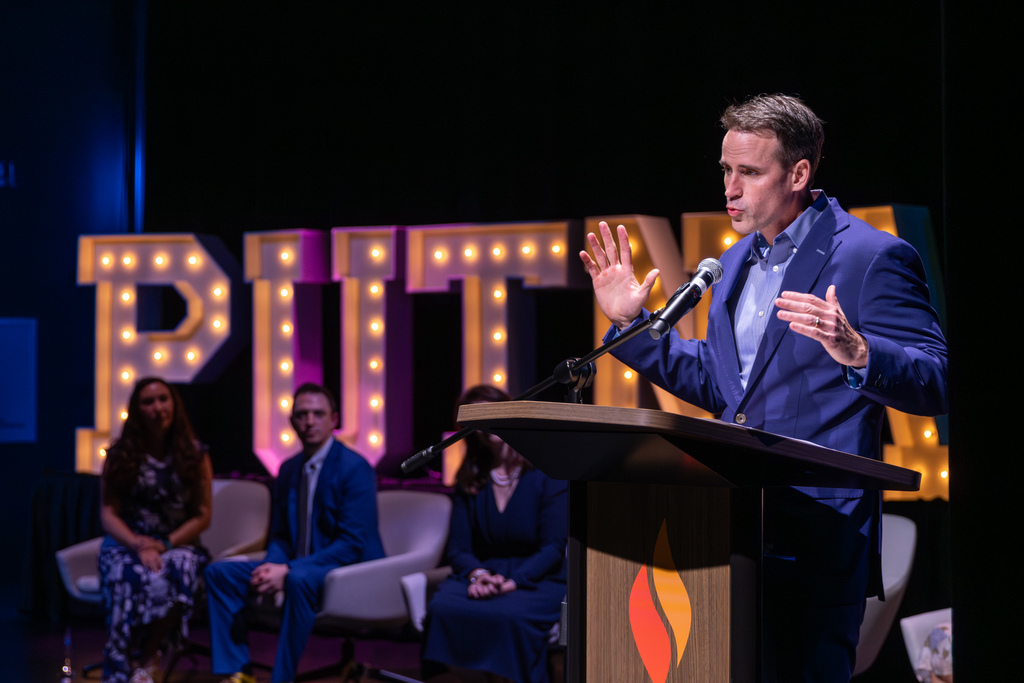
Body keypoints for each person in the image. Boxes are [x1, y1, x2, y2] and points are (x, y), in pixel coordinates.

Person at [579, 94, 948, 681]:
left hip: (818, 533)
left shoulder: (870, 256)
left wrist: (859, 352)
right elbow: (724, 386)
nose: (730, 188)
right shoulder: (730, 265)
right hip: (731, 528)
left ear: (799, 173)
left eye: (749, 172)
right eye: (726, 170)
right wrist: (631, 327)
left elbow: (936, 380)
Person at [204, 383, 384, 683]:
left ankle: (281, 678)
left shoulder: (355, 468)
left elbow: (352, 544)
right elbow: (281, 536)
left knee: (299, 580)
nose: (309, 421)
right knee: (218, 574)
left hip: (347, 569)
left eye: (318, 414)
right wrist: (270, 565)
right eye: (302, 415)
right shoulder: (288, 469)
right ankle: (237, 672)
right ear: (292, 422)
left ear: (334, 420)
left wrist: (287, 569)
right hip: (299, 565)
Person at [421, 385, 568, 683]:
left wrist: (513, 582)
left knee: (510, 617)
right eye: (478, 418)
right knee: (441, 607)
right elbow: (459, 549)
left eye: (492, 411)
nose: (487, 423)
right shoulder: (469, 478)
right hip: (484, 575)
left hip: (537, 578)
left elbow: (553, 548)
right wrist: (478, 575)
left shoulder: (547, 472)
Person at [98, 377, 214, 683]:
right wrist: (139, 545)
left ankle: (150, 655)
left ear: (175, 405)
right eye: (148, 402)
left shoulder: (195, 454)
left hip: (177, 542)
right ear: (136, 410)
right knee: (125, 574)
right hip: (127, 541)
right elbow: (108, 514)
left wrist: (164, 544)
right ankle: (119, 666)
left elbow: (203, 516)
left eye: (163, 399)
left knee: (182, 567)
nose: (157, 408)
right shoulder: (119, 455)